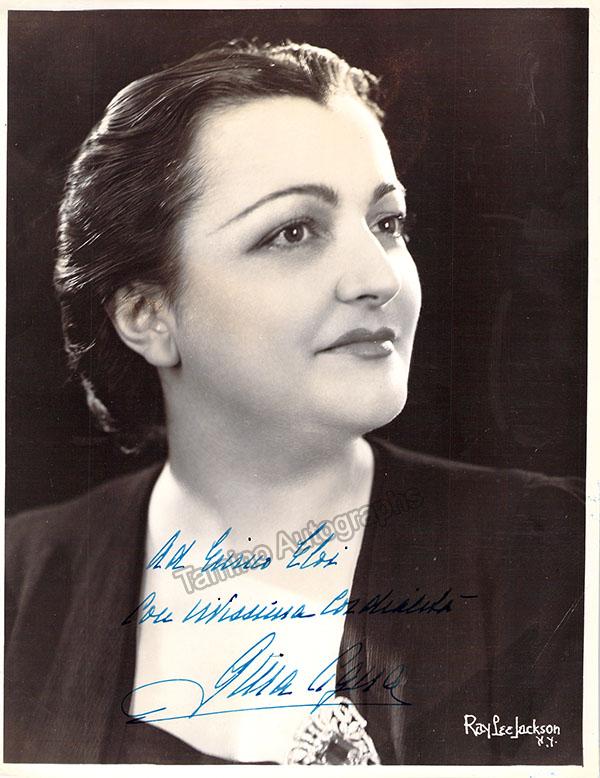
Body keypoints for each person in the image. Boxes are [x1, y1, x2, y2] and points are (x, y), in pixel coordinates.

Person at [5, 39, 584, 766]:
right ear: (148, 314)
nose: (379, 278)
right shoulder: (18, 582)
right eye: (293, 231)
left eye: (388, 223)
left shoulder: (556, 553)